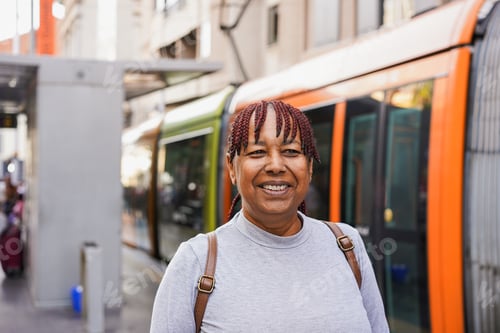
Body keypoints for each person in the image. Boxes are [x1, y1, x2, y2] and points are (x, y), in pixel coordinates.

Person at [150, 100, 389, 332]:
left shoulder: (347, 245)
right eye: (257, 152)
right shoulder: (195, 261)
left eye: (291, 151)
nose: (276, 165)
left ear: (310, 167)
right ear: (232, 169)